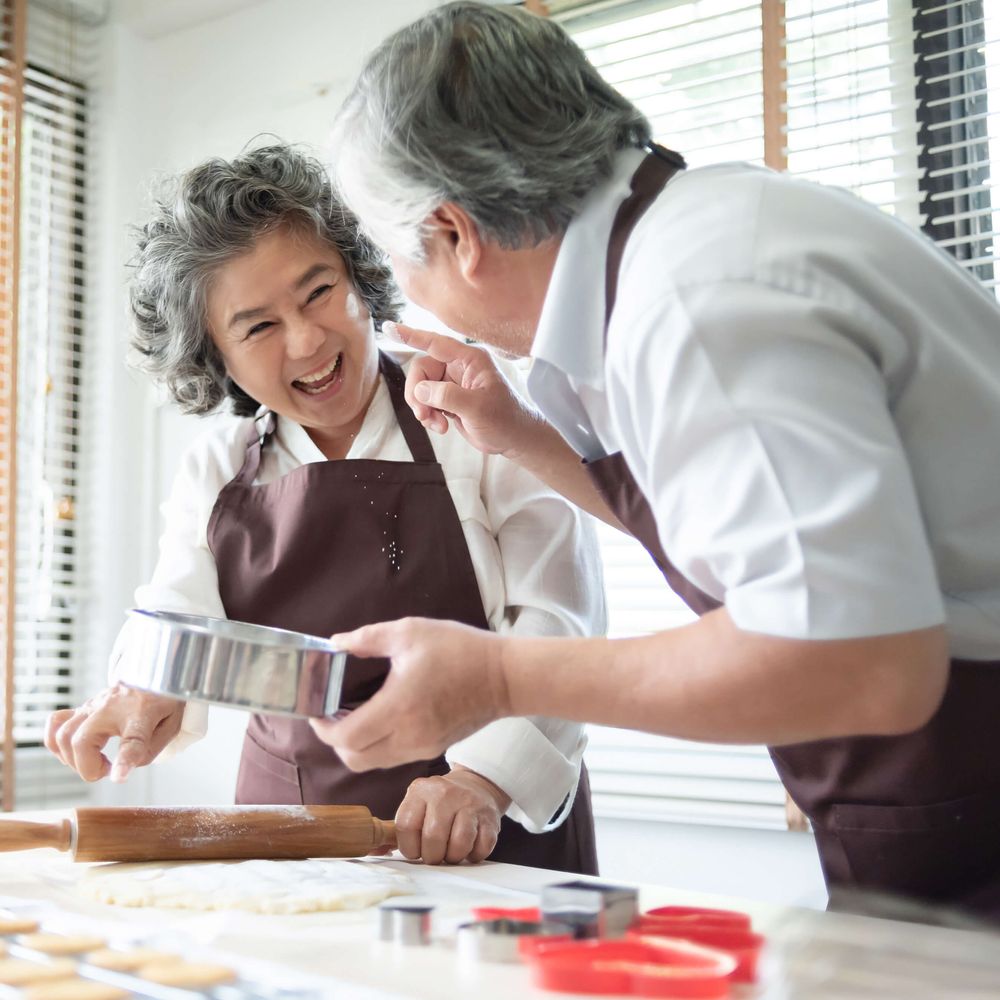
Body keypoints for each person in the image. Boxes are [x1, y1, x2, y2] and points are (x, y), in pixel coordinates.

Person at [312, 1, 1000, 915]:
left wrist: (497, 678)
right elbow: (725, 530)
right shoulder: (692, 239)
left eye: (402, 260)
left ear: (456, 234)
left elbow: (862, 657)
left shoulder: (697, 302)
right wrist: (519, 435)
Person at [44, 143, 604, 874]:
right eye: (258, 327)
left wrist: (481, 779)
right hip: (291, 833)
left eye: (318, 293)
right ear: (218, 359)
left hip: (490, 826)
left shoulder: (480, 415)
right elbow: (177, 619)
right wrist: (137, 696)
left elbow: (561, 623)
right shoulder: (219, 468)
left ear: (362, 280)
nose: (308, 340)